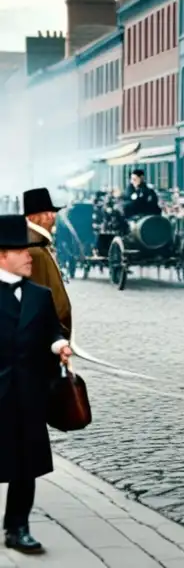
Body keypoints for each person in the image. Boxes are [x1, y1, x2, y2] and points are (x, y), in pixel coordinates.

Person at [0, 215, 72, 553]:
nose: (30, 256)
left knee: (25, 464)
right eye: (22, 251)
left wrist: (59, 344)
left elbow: (52, 329)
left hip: (29, 393)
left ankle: (18, 526)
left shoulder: (39, 296)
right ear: (2, 255)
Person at [22, 188, 72, 336]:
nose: (53, 217)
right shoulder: (35, 250)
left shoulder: (39, 244)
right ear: (35, 217)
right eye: (48, 213)